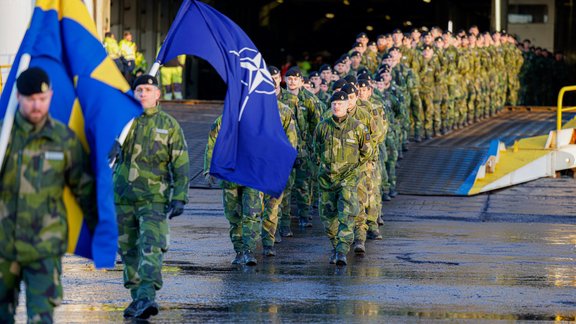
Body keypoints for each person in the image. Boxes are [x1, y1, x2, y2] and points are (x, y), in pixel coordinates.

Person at [0, 67, 97, 323]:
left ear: (51, 96)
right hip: (2, 245)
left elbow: (85, 189)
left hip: (44, 247)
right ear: (18, 97)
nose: (36, 106)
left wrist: (102, 231)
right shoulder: (2, 137)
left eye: (42, 100)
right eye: (30, 99)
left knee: (42, 318)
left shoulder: (63, 140)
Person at [113, 75, 190, 319]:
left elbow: (181, 162)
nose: (143, 93)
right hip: (122, 197)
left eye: (148, 89)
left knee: (151, 247)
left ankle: (147, 295)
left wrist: (180, 196)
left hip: (154, 199)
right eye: (139, 89)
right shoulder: (122, 121)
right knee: (128, 250)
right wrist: (109, 144)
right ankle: (138, 298)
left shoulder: (168, 124)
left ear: (158, 94)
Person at [313, 91, 372, 266]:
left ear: (348, 105)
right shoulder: (322, 127)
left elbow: (366, 152)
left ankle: (341, 251)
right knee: (327, 217)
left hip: (348, 179)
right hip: (327, 179)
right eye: (334, 104)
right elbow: (314, 151)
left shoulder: (358, 127)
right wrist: (322, 169)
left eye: (340, 103)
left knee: (346, 215)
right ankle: (335, 245)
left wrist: (353, 170)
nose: (337, 106)